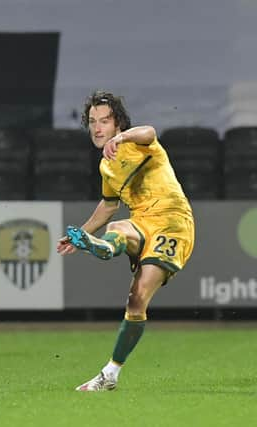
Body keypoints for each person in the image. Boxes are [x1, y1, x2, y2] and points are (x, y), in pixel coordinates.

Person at [56, 91, 195, 392]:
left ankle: (103, 247)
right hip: (141, 222)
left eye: (104, 121)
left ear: (117, 123)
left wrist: (122, 139)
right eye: (92, 122)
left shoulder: (138, 141)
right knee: (119, 232)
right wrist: (78, 233)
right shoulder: (106, 167)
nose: (97, 128)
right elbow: (108, 206)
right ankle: (110, 375)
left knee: (138, 296)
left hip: (173, 223)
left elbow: (150, 131)